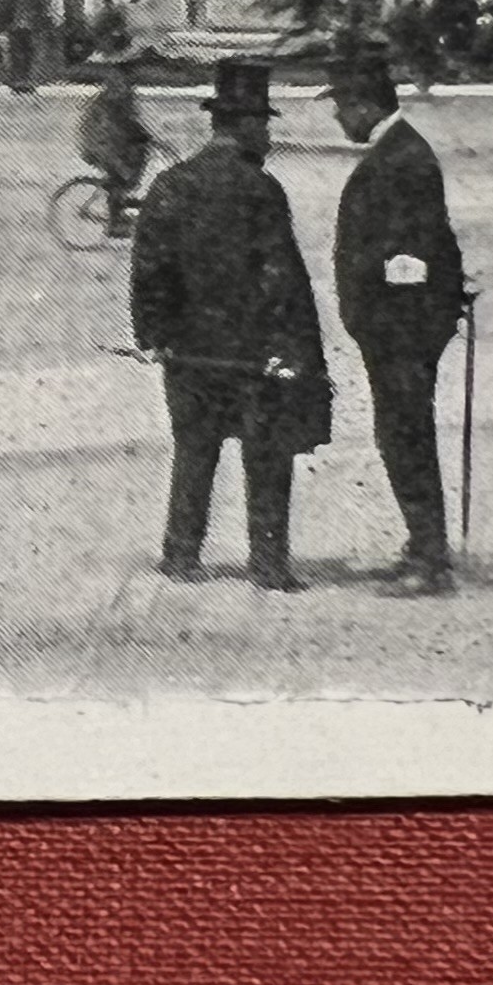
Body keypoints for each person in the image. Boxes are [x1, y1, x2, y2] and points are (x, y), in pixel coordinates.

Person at [125, 58, 333, 591]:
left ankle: (181, 554)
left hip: (190, 354)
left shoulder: (171, 183)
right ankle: (268, 563)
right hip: (252, 355)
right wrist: (302, 351)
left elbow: (149, 269)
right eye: (263, 124)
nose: (267, 135)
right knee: (266, 457)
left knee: (194, 451)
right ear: (242, 126)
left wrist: (154, 337)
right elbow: (283, 279)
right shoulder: (260, 190)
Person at [331, 54, 468, 595]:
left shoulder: (400, 159)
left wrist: (399, 315)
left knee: (406, 435)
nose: (340, 119)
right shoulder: (401, 150)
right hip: (398, 328)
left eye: (343, 108)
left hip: (401, 331)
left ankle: (429, 560)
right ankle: (420, 545)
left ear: (366, 105)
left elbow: (412, 252)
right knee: (402, 434)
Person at [75, 46, 162, 231]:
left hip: (111, 138)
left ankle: (121, 201)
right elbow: (112, 123)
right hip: (100, 141)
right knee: (120, 171)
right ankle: (114, 223)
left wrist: (144, 136)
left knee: (138, 158)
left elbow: (128, 120)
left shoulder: (125, 89)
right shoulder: (117, 88)